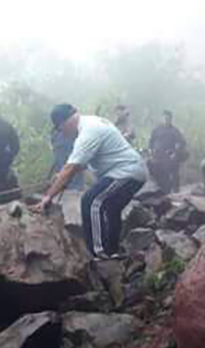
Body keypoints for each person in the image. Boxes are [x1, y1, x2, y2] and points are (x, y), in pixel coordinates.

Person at [32, 104, 147, 259]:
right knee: (111, 208)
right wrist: (62, 176)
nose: (62, 134)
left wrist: (48, 196)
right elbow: (78, 165)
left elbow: (70, 168)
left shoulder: (87, 132)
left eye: (60, 129)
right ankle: (112, 251)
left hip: (125, 171)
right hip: (133, 170)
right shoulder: (92, 122)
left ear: (65, 123)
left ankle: (98, 254)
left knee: (91, 201)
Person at [148, 110, 189, 193]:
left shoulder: (174, 130)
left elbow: (182, 142)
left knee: (174, 174)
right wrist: (150, 150)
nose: (166, 120)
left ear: (171, 119)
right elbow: (151, 141)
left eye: (168, 118)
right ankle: (162, 190)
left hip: (170, 155)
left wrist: (175, 151)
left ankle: (176, 191)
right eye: (164, 118)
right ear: (162, 118)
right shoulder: (157, 129)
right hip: (158, 155)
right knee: (157, 172)